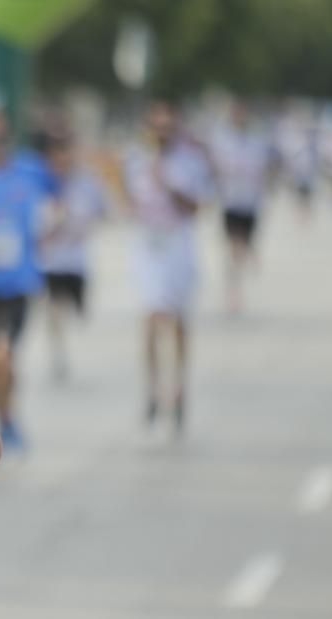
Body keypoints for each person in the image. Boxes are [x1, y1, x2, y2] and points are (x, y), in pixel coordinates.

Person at [0, 108, 58, 450]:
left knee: (1, 352)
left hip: (16, 285)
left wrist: (51, 227)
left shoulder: (31, 170)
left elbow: (59, 197)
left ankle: (4, 418)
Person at [122, 101, 212, 433]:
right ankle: (153, 389)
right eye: (155, 127)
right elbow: (128, 201)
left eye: (167, 127)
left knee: (178, 322)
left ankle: (179, 388)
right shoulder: (135, 160)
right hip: (148, 245)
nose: (161, 134)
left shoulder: (189, 162)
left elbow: (196, 206)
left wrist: (169, 186)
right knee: (151, 316)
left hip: (178, 244)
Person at [37, 129, 107, 382]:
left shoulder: (86, 182)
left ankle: (66, 343)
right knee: (54, 308)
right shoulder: (42, 182)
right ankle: (59, 354)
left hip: (76, 262)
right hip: (50, 260)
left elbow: (102, 211)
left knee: (75, 311)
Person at [208, 100, 272, 314]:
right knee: (233, 248)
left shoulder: (257, 141)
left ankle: (248, 254)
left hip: (251, 202)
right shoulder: (221, 140)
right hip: (231, 201)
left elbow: (265, 169)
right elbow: (213, 168)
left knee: (243, 246)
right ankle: (234, 291)